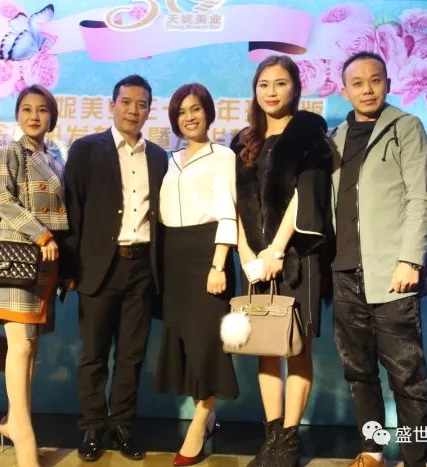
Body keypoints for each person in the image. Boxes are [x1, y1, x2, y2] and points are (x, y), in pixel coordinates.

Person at [330, 51, 427, 467]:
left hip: (392, 273)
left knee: (408, 378)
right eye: (357, 83)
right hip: (344, 273)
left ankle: (415, 460)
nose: (367, 89)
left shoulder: (406, 127)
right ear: (344, 91)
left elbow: (421, 198)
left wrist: (410, 260)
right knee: (358, 373)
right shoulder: (335, 138)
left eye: (375, 80)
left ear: (388, 84)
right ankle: (372, 451)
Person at [230, 55, 334, 467]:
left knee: (296, 346)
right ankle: (271, 440)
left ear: (295, 88)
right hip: (254, 261)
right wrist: (246, 254)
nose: (271, 92)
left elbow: (305, 195)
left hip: (295, 257)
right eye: (264, 84)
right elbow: (237, 203)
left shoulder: (307, 132)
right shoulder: (243, 140)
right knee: (265, 346)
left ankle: (289, 443)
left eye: (280, 83)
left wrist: (275, 250)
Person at [61, 74, 169, 462]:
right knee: (93, 354)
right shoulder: (87, 149)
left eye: (141, 104)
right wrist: (69, 267)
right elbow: (72, 210)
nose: (133, 110)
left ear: (149, 110)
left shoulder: (159, 157)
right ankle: (92, 428)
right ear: (112, 105)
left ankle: (122, 426)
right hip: (97, 269)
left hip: (142, 269)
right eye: (126, 102)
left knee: (131, 355)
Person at [155, 82, 238, 466]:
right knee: (188, 345)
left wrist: (218, 264)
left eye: (196, 109)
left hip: (208, 256)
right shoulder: (168, 160)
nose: (189, 117)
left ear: (208, 112)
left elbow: (228, 212)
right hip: (173, 259)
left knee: (208, 345)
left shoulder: (223, 156)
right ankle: (208, 416)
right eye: (182, 111)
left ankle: (198, 423)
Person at [0, 84, 69, 467]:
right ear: (18, 115)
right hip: (18, 256)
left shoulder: (55, 158)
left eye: (42, 109)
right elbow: (1, 200)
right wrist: (40, 234)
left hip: (46, 262)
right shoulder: (11, 151)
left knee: (30, 348)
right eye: (26, 109)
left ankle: (12, 421)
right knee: (20, 347)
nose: (34, 116)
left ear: (52, 116)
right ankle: (24, 436)